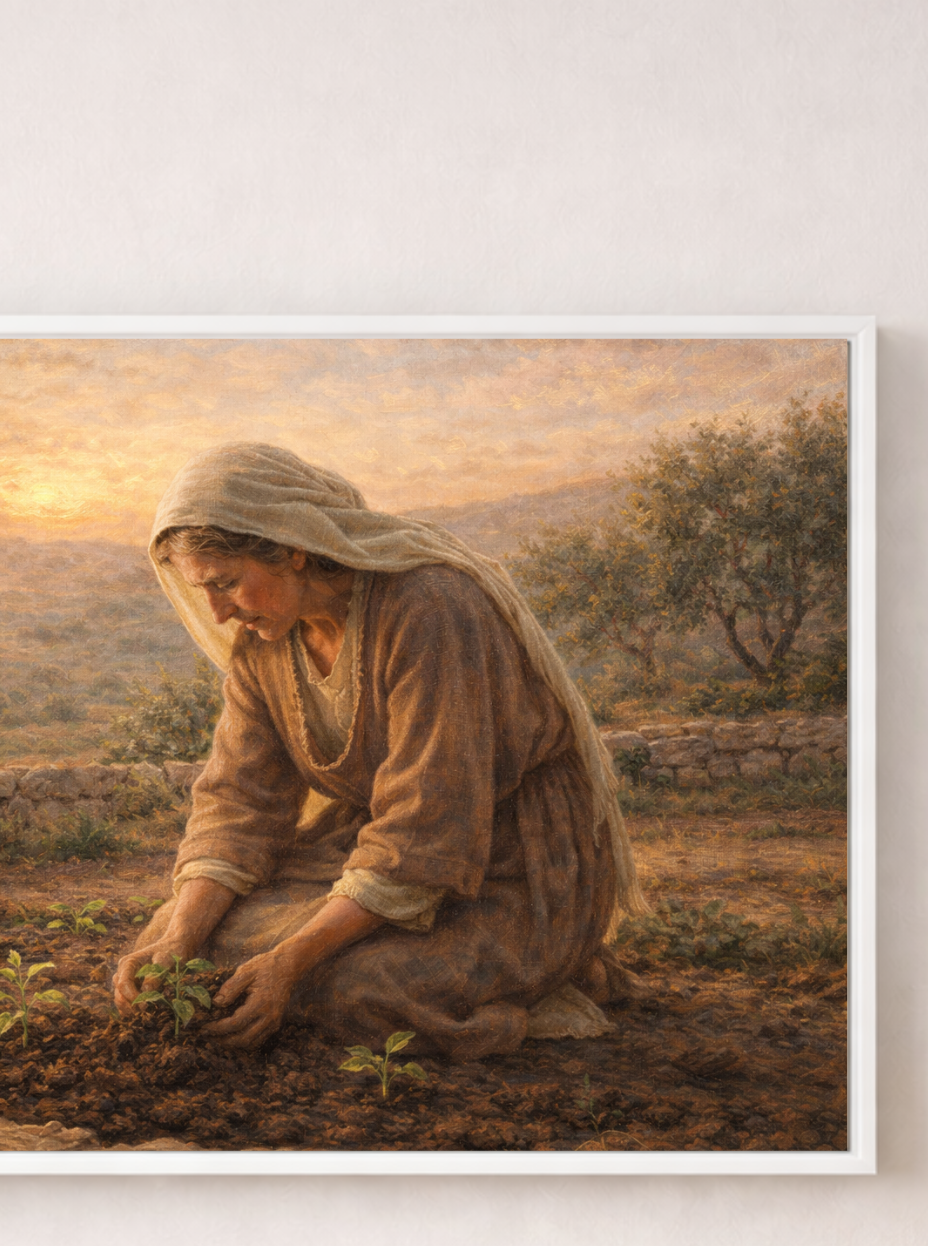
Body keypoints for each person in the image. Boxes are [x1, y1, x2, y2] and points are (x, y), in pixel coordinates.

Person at [109, 442, 643, 1058]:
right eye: (203, 590)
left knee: (350, 989)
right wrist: (180, 936)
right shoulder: (264, 648)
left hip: (511, 861)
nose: (218, 612)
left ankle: (538, 985)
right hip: (384, 848)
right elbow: (238, 804)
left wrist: (289, 962)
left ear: (292, 548)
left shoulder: (431, 609)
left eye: (227, 584)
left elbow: (429, 821)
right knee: (181, 950)